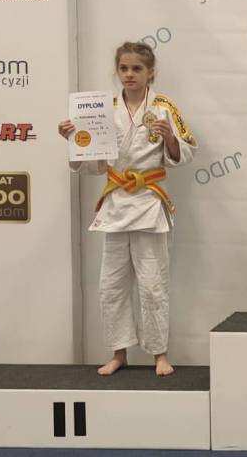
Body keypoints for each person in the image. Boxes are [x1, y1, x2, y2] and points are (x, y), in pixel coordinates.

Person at [58, 41, 197, 376]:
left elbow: (186, 151)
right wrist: (75, 140)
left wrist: (170, 138)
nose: (129, 74)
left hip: (149, 203)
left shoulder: (164, 107)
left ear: (151, 72)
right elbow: (93, 165)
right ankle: (118, 353)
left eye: (137, 68)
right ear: (117, 71)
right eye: (124, 68)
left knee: (152, 285)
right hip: (117, 203)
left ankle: (159, 354)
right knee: (111, 285)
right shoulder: (101, 110)